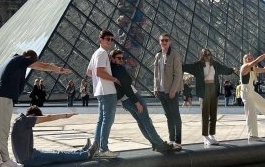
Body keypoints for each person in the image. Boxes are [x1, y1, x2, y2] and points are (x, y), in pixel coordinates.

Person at [0, 49, 71, 167]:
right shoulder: (21, 60)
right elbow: (43, 66)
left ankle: (0, 157)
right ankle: (5, 161)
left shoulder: (12, 60)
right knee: (3, 129)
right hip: (4, 96)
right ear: (30, 58)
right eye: (33, 62)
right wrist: (58, 70)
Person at [110, 49, 178, 152]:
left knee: (141, 122)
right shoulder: (119, 69)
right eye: (118, 58)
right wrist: (136, 102)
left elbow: (120, 87)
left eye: (122, 58)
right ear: (112, 59)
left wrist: (123, 102)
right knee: (146, 121)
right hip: (133, 97)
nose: (121, 60)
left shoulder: (110, 69)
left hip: (125, 100)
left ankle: (154, 143)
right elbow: (127, 86)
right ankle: (160, 144)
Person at [10, 106, 95, 166]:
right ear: (34, 116)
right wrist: (65, 115)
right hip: (29, 159)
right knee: (59, 155)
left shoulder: (18, 121)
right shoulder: (26, 121)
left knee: (56, 152)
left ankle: (81, 151)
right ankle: (86, 154)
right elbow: (49, 117)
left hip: (29, 155)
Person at [182, 48, 234, 145]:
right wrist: (174, 64)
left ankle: (211, 134)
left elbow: (225, 69)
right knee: (205, 114)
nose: (207, 56)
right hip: (204, 89)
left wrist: (232, 70)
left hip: (213, 88)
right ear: (201, 55)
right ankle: (205, 136)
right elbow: (184, 67)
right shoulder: (197, 65)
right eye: (205, 55)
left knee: (213, 113)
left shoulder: (215, 64)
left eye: (209, 54)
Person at [86, 29, 120, 157]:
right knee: (107, 120)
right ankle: (103, 149)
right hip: (107, 91)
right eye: (107, 39)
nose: (110, 42)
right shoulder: (103, 53)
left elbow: (89, 72)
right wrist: (113, 79)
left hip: (100, 91)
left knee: (101, 120)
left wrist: (97, 80)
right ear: (100, 39)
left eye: (111, 39)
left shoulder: (96, 53)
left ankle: (96, 148)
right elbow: (99, 71)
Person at [154, 33, 183, 148]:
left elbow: (178, 75)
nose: (164, 42)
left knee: (175, 115)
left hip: (171, 91)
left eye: (166, 40)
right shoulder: (158, 55)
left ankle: (178, 141)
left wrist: (173, 90)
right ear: (159, 42)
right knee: (168, 116)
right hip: (161, 91)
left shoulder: (175, 55)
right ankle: (171, 139)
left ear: (170, 41)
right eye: (162, 40)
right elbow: (156, 75)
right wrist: (155, 88)